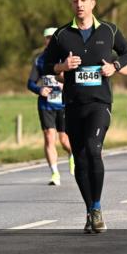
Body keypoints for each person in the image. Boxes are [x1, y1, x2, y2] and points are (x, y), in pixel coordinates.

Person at [42, 0, 127, 234]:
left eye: (83, 0)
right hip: (73, 104)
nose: (79, 5)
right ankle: (89, 210)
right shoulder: (62, 35)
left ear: (93, 3)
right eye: (75, 1)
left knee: (94, 150)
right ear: (71, 5)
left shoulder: (109, 30)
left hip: (99, 103)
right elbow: (45, 65)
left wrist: (113, 67)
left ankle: (97, 207)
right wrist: (63, 66)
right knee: (80, 158)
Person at [29, 27, 74, 186]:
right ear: (45, 40)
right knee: (49, 137)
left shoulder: (66, 58)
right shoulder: (40, 60)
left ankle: (72, 154)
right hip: (46, 104)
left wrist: (66, 85)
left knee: (64, 140)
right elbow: (30, 83)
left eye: (52, 38)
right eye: (47, 38)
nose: (50, 41)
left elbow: (76, 79)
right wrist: (39, 89)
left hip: (63, 103)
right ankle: (55, 173)